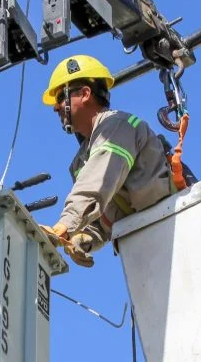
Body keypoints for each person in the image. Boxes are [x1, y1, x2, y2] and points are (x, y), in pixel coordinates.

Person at [39, 55, 178, 268]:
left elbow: (96, 185)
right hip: (142, 246)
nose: (56, 108)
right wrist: (85, 236)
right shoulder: (80, 163)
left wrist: (65, 225)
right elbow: (101, 212)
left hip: (171, 228)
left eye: (60, 98)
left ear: (85, 94)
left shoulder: (117, 126)